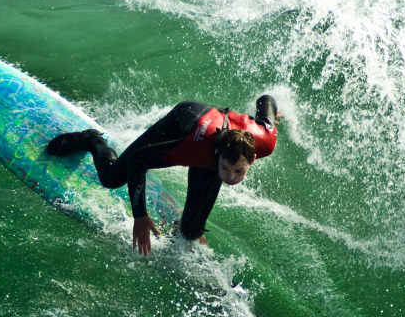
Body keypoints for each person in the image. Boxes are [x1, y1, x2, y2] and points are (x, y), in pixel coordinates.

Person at [47, 96, 279, 256]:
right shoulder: (190, 148)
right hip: (183, 122)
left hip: (218, 142)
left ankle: (187, 224)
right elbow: (139, 161)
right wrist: (140, 216)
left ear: (253, 159)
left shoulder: (265, 141)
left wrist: (274, 113)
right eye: (226, 169)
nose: (230, 177)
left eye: (239, 171)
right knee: (111, 178)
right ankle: (91, 139)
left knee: (190, 232)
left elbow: (266, 101)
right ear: (218, 158)